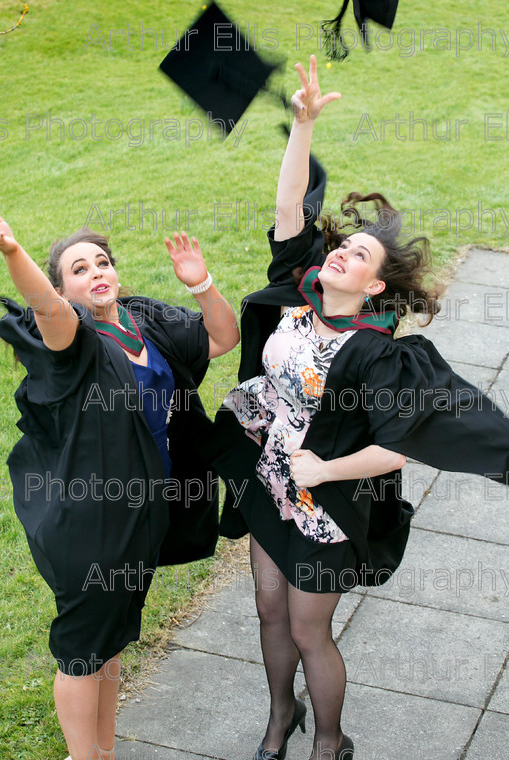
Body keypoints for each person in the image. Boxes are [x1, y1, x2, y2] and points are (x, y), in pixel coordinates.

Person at [211, 55, 509, 760]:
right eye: (345, 245)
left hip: (330, 501)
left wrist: (325, 470)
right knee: (268, 609)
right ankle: (278, 721)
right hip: (269, 477)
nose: (341, 254)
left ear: (376, 287)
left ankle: (329, 741)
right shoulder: (298, 289)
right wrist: (302, 127)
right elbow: (289, 210)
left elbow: (399, 444)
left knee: (311, 630)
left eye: (359, 254)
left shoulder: (379, 351)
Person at [0, 204, 239, 760]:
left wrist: (203, 284)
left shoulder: (143, 324)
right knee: (82, 652)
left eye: (102, 262)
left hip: (143, 514)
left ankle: (104, 753)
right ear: (65, 289)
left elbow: (221, 338)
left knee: (110, 647)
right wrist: (14, 253)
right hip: (91, 522)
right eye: (80, 269)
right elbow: (46, 309)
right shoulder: (74, 344)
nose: (96, 273)